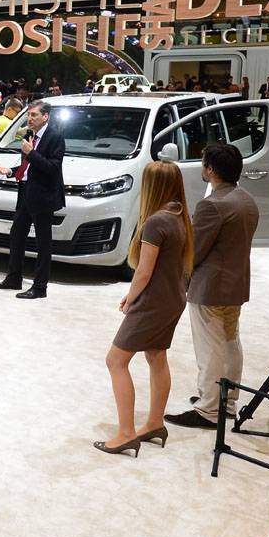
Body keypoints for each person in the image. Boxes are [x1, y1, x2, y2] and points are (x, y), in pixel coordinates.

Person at [94, 161, 193, 457]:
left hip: (153, 301)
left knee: (115, 361)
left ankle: (126, 433)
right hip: (174, 297)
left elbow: (144, 272)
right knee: (156, 356)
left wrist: (130, 297)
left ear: (152, 186)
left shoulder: (156, 222)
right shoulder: (180, 215)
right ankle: (154, 423)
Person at [165, 144, 259, 430]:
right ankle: (226, 401)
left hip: (211, 287)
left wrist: (178, 278)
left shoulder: (212, 205)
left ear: (211, 169)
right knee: (230, 342)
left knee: (210, 349)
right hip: (236, 283)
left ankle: (208, 410)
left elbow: (196, 250)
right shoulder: (246, 199)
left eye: (204, 163)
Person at [0, 101, 65, 299]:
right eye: (29, 115)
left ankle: (40, 288)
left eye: (34, 115)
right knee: (16, 236)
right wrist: (10, 171)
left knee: (43, 243)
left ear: (45, 117)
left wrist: (31, 153)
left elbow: (52, 168)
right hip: (25, 193)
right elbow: (28, 168)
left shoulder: (55, 138)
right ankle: (14, 278)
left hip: (43, 196)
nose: (29, 119)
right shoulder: (28, 135)